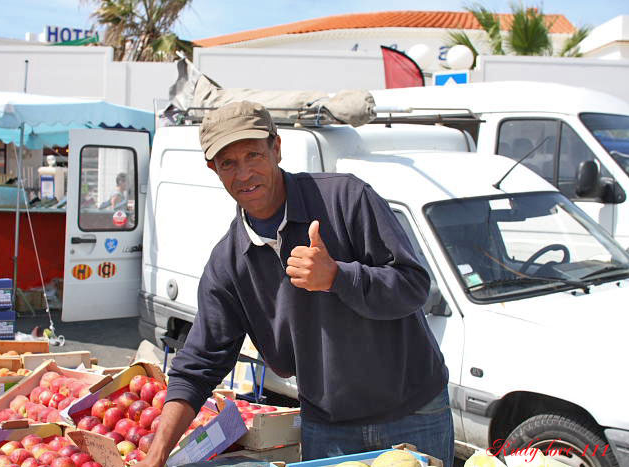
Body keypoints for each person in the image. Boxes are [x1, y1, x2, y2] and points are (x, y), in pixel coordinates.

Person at [137, 101, 454, 467]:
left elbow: (414, 287)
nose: (244, 174)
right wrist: (157, 454)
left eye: (253, 155)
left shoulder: (346, 199)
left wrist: (338, 276)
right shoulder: (228, 263)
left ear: (277, 147)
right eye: (228, 163)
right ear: (214, 170)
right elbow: (199, 364)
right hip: (330, 430)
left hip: (413, 413)